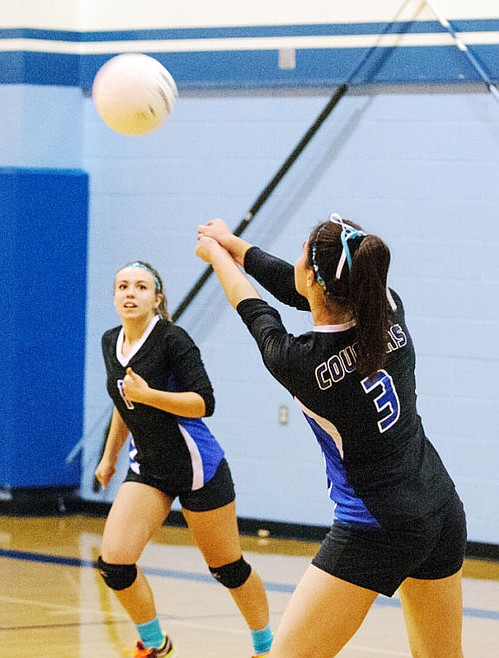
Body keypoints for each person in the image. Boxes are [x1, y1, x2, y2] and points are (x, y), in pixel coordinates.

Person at [195, 216, 467, 658]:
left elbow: (254, 307)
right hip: (440, 508)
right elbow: (293, 286)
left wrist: (218, 255)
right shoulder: (388, 305)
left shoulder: (302, 363)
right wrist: (232, 243)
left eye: (301, 255)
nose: (295, 263)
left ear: (314, 280)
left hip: (376, 526)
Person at [95, 260, 273, 658]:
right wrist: (109, 458)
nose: (130, 293)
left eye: (141, 287)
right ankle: (155, 645)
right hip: (149, 469)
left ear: (157, 298)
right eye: (123, 286)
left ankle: (266, 648)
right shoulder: (110, 342)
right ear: (114, 296)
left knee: (228, 568)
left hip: (198, 469)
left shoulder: (173, 340)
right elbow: (123, 403)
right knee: (115, 565)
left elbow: (204, 402)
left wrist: (149, 396)